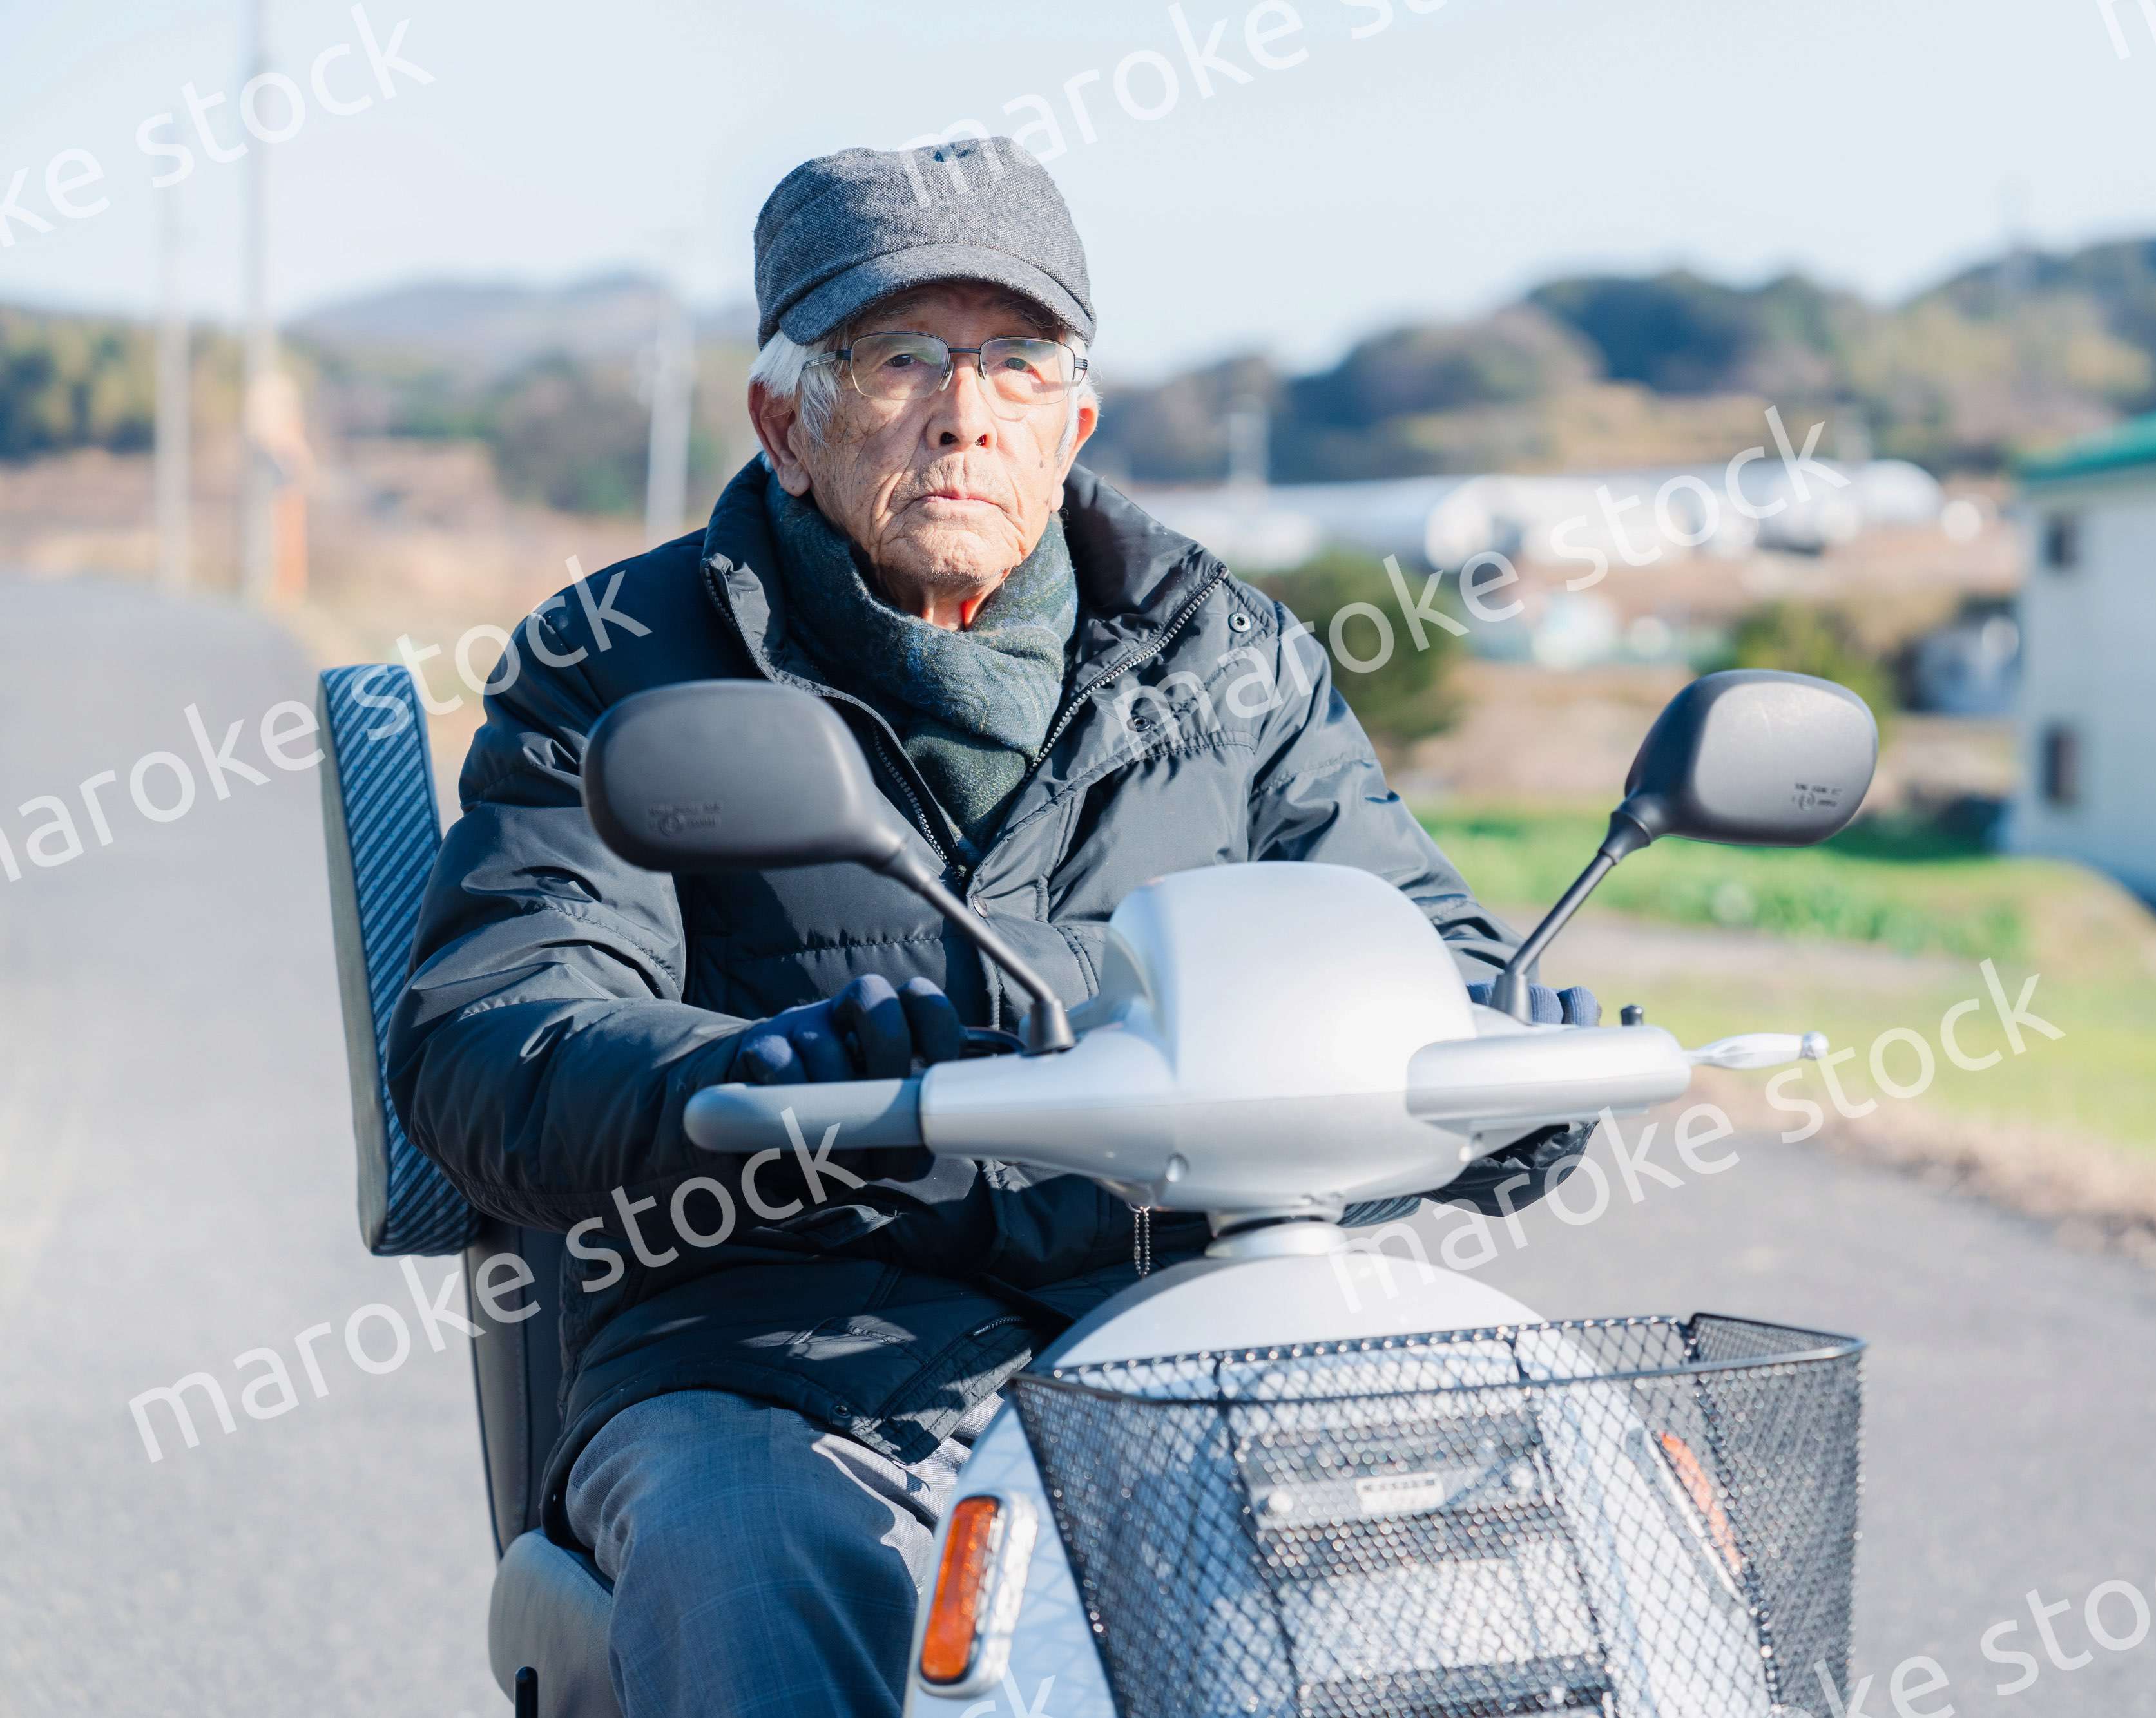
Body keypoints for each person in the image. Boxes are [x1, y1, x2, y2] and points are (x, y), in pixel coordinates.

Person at [388, 137, 1594, 1718]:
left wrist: (1506, 1063)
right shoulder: (621, 660)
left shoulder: (1229, 654)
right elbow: (498, 1034)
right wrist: (753, 1075)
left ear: (1073, 418)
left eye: (1017, 361)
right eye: (899, 356)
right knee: (755, 1549)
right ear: (783, 417)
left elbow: (1411, 940)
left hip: (1185, 1328)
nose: (965, 412)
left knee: (1514, 1539)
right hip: (774, 1352)